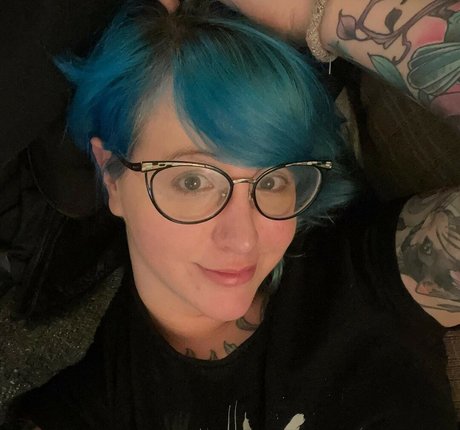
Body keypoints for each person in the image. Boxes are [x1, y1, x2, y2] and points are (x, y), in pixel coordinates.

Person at [4, 0, 460, 429]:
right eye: (193, 182)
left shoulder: (376, 278)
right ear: (111, 175)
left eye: (274, 181)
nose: (244, 239)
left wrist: (318, 13)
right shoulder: (91, 410)